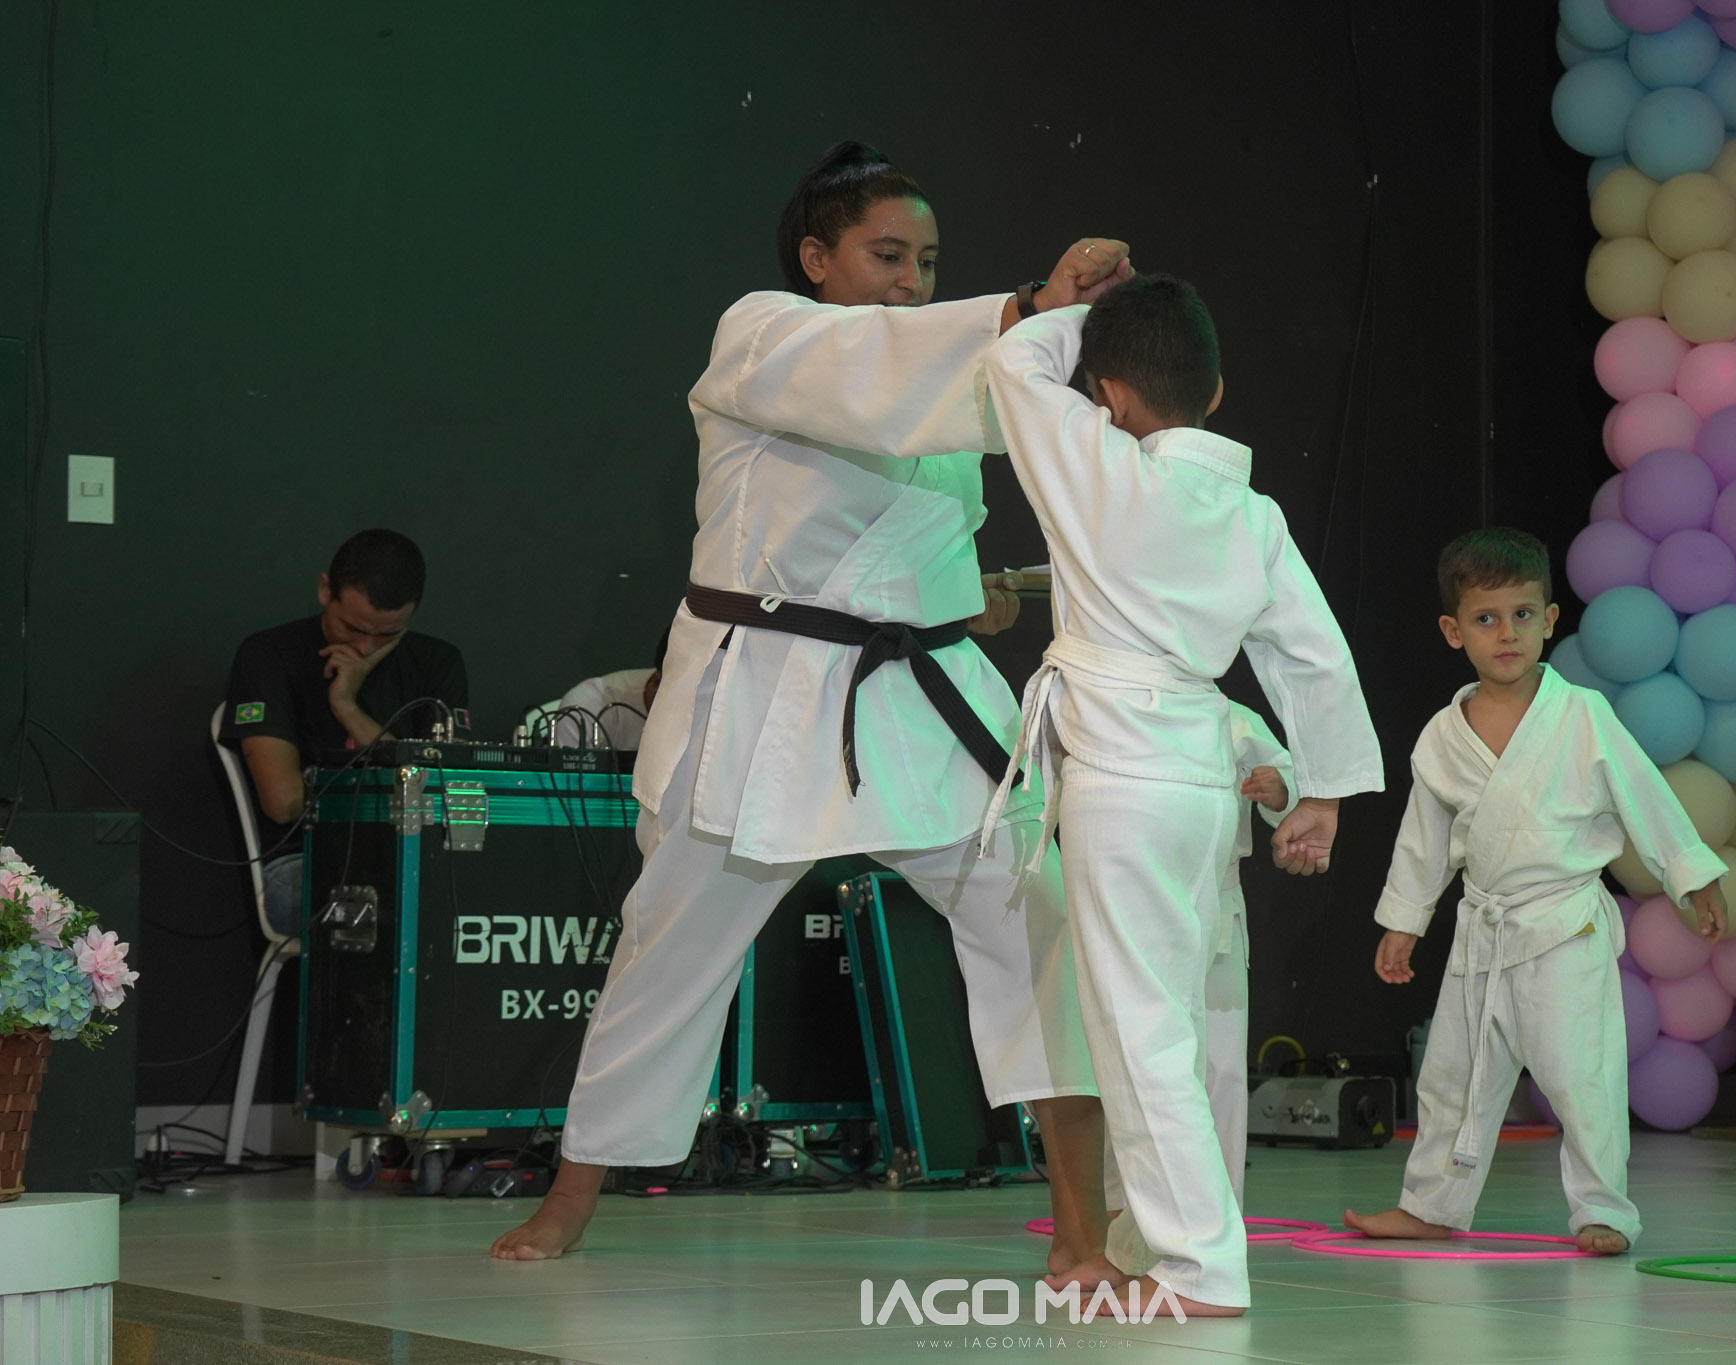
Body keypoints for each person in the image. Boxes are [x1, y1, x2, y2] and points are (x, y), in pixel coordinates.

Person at [492, 141, 1129, 1267]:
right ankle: (572, 1192)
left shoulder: (959, 368)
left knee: (1036, 925)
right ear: (814, 257)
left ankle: (1080, 1226)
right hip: (765, 694)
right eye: (887, 255)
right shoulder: (761, 336)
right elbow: (871, 381)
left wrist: (956, 587)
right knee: (671, 942)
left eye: (927, 262)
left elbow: (941, 472)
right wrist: (1032, 307)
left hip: (923, 697)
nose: (911, 281)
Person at [982, 275, 1383, 1315]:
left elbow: (1012, 361)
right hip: (1199, 781)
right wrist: (1326, 792)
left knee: (1140, 1032)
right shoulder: (1251, 513)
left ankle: (1198, 1267)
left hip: (1123, 778)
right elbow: (1313, 656)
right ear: (1216, 393)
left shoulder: (1094, 460)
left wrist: (1080, 310)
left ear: (1110, 394)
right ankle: (1166, 1248)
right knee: (1162, 1027)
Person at [1343, 528, 1727, 1256]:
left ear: (1550, 619)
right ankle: (1432, 1205)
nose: (1507, 634)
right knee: (1452, 1075)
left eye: (1523, 615)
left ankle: (1603, 1210)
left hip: (1564, 925)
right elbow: (1424, 839)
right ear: (1454, 631)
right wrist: (1405, 920)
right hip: (1483, 926)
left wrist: (1692, 874)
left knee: (1582, 1076)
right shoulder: (1441, 735)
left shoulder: (1582, 714)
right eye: (1486, 619)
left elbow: (1643, 793)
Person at [219, 529, 468, 935]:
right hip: (304, 858)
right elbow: (284, 803)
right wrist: (396, 786)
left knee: (481, 890)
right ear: (325, 591)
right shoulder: (270, 655)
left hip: (416, 856)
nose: (366, 647)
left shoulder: (437, 662)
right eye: (351, 627)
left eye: (387, 634)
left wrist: (348, 708)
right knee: (404, 899)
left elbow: (448, 792)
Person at [1100, 703, 1293, 1220]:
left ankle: (1219, 1213)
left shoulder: (1231, 718)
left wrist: (1281, 791)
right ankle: (1126, 1211)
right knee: (1137, 1057)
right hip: (1139, 898)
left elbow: (1290, 784)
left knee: (1220, 1070)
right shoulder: (1114, 703)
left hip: (1218, 903)